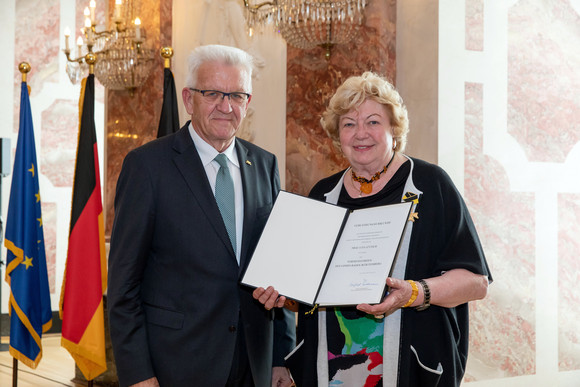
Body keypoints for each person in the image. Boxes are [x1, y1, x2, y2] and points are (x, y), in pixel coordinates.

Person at [254, 71, 492, 386]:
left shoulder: (431, 186)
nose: (360, 133)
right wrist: (285, 293)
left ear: (394, 129)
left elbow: (476, 283)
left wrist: (414, 292)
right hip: (333, 369)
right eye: (349, 124)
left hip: (410, 367)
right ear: (337, 135)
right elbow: (310, 290)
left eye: (373, 122)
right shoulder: (323, 195)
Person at [108, 44, 295, 387]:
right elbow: (123, 285)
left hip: (253, 363)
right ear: (188, 99)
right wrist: (138, 374)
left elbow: (275, 265)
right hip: (176, 363)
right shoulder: (148, 166)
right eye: (213, 94)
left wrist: (281, 358)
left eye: (237, 95)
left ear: (248, 102)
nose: (226, 107)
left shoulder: (264, 165)